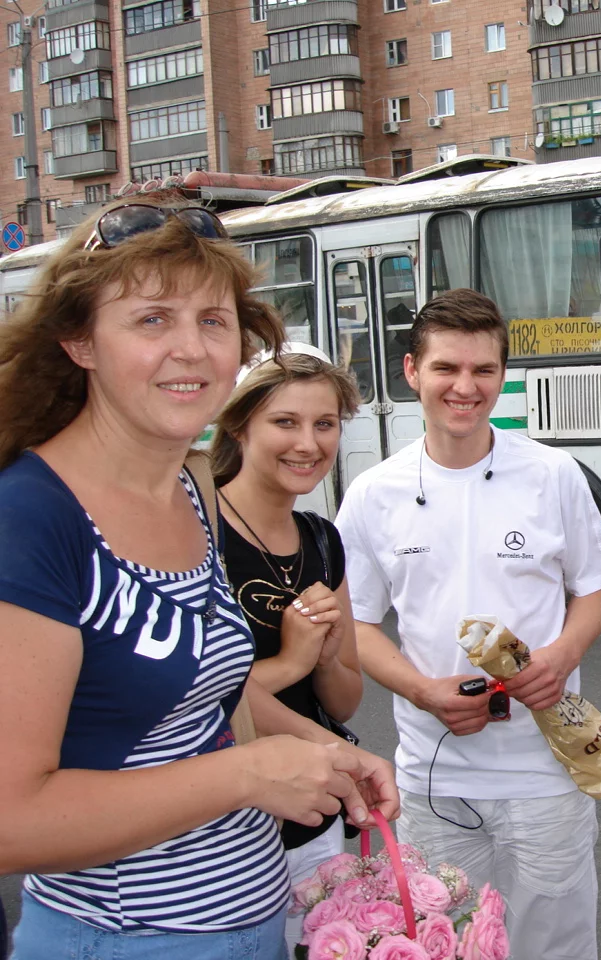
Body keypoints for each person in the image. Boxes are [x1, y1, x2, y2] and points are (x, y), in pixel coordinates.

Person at [0, 199, 397, 960]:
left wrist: (328, 750)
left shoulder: (192, 487)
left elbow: (207, 693)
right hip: (123, 941)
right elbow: (12, 822)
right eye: (152, 319)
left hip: (250, 924)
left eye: (214, 321)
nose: (192, 349)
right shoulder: (32, 516)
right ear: (79, 340)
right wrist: (245, 775)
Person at [336, 288, 601, 960]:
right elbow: (356, 623)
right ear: (412, 372)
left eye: (483, 370)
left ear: (502, 375)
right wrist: (420, 689)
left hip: (546, 771)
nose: (465, 387)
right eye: (446, 368)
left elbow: (595, 585)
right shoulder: (374, 492)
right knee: (448, 945)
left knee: (553, 949)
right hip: (434, 776)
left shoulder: (552, 473)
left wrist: (561, 655)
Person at [210, 346, 365, 951]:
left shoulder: (322, 538)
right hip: (223, 824)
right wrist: (292, 661)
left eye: (324, 424)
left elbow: (345, 701)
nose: (308, 443)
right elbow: (194, 694)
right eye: (285, 422)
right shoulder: (197, 531)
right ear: (238, 424)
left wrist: (324, 658)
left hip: (312, 817)